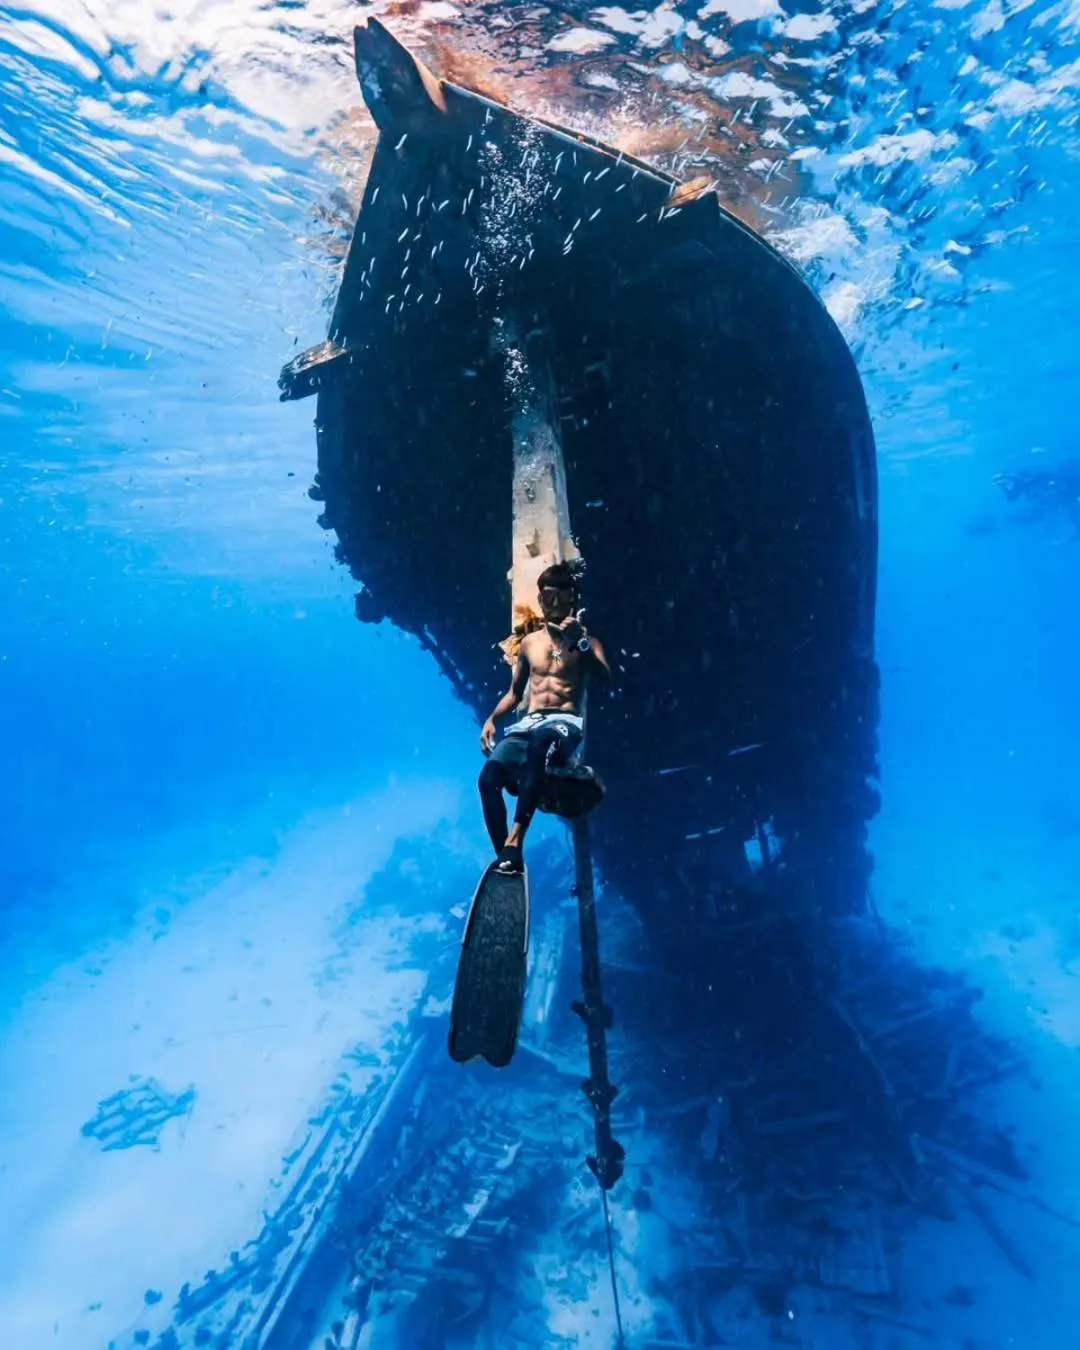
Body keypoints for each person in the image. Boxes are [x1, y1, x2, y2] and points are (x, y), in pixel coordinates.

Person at [478, 562, 611, 874]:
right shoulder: (529, 644)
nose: (549, 604)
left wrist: (580, 643)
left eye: (556, 597)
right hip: (529, 722)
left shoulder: (588, 644)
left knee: (541, 743)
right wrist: (491, 719)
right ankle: (505, 859)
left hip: (564, 723)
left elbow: (605, 681)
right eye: (544, 598)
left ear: (570, 599)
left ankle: (515, 840)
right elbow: (515, 693)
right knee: (487, 780)